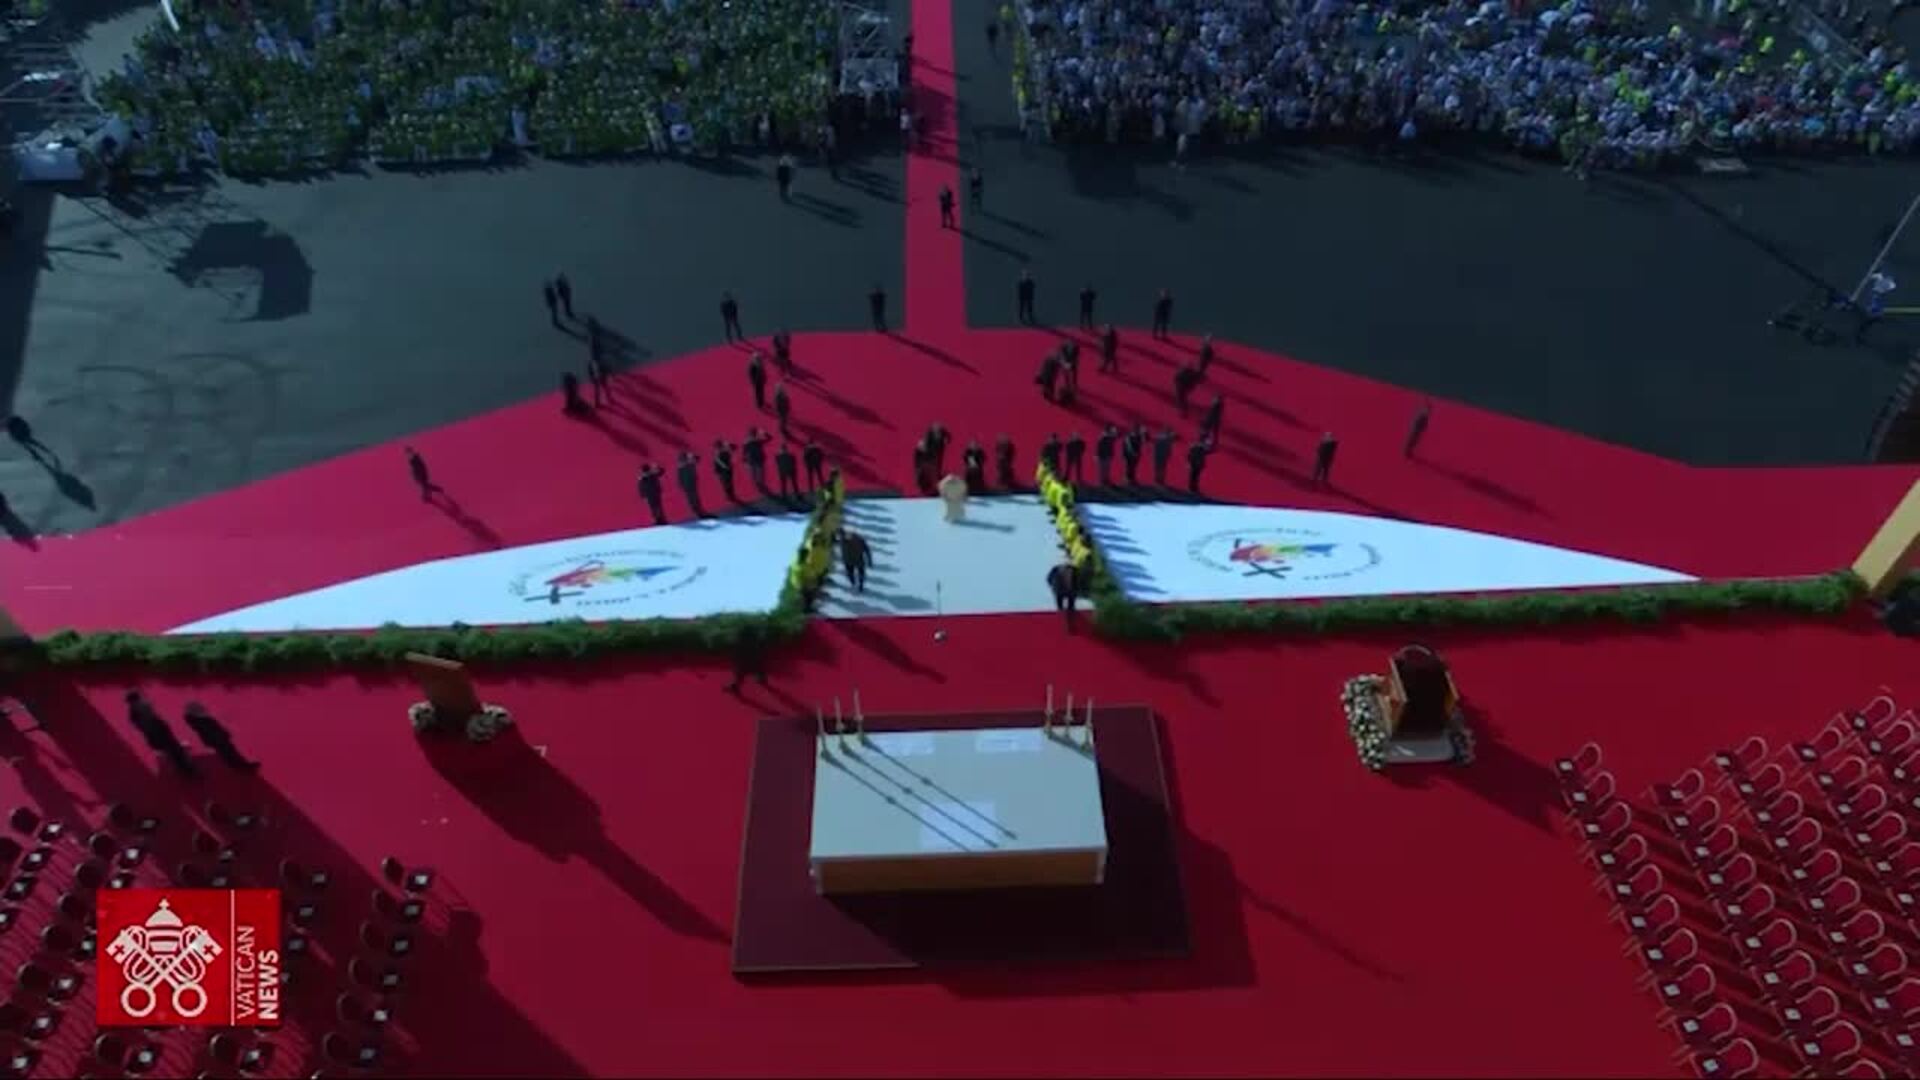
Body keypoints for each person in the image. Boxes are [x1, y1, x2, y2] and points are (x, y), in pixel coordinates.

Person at [126, 690, 195, 778]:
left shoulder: (135, 709)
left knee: (169, 748)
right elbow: (144, 718)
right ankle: (185, 766)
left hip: (154, 728)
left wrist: (144, 729)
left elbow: (137, 722)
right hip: (157, 727)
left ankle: (182, 766)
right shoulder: (143, 705)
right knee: (172, 747)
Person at [183, 701, 257, 771]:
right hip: (217, 738)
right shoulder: (199, 720)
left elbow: (215, 727)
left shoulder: (199, 719)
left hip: (218, 738)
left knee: (228, 751)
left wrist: (223, 733)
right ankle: (239, 765)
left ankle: (238, 764)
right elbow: (211, 728)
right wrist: (222, 734)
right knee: (228, 751)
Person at [726, 626, 771, 693]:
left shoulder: (739, 642)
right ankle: (762, 679)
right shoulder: (757, 640)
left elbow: (735, 653)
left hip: (745, 663)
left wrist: (734, 661)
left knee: (740, 675)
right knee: (760, 669)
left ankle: (735, 688)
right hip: (756, 661)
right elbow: (763, 649)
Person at [1046, 561, 1082, 628]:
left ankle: (1064, 620)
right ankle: (1068, 620)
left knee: (1062, 607)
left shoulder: (1056, 569)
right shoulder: (1073, 569)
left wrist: (1053, 587)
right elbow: (1079, 580)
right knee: (1070, 607)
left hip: (1060, 591)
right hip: (1068, 591)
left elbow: (1049, 579)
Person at [676, 450, 704, 517]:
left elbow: (698, 459)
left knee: (695, 497)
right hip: (687, 484)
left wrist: (691, 456)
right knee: (692, 498)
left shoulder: (689, 463)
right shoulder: (682, 465)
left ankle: (699, 511)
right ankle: (697, 511)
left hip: (691, 483)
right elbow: (681, 477)